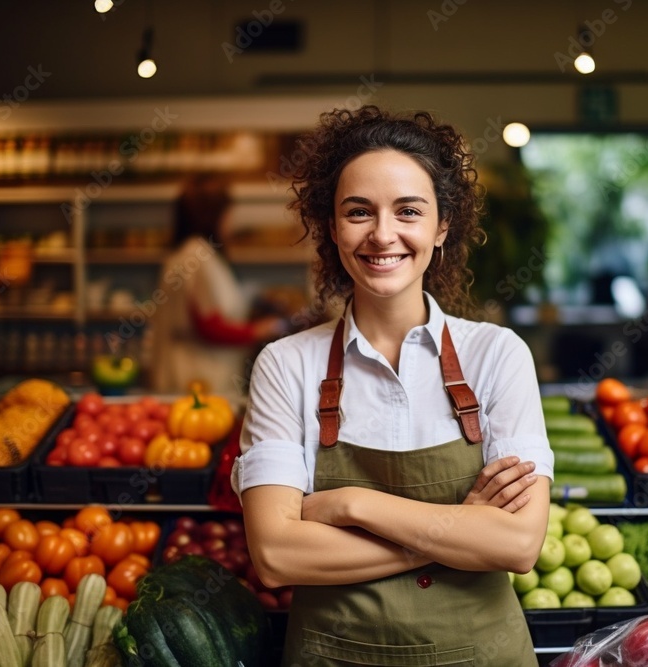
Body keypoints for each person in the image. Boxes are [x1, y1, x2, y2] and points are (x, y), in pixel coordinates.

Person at [235, 106, 554, 666]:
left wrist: (352, 504)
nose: (383, 234)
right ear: (331, 227)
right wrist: (454, 535)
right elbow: (276, 555)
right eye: (359, 212)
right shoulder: (286, 366)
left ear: (442, 225)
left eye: (408, 210)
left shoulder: (498, 355)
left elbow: (518, 544)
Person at [150, 176, 288, 403]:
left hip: (189, 375)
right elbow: (208, 326)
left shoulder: (186, 254)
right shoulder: (197, 257)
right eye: (228, 213)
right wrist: (259, 331)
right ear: (215, 216)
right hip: (198, 379)